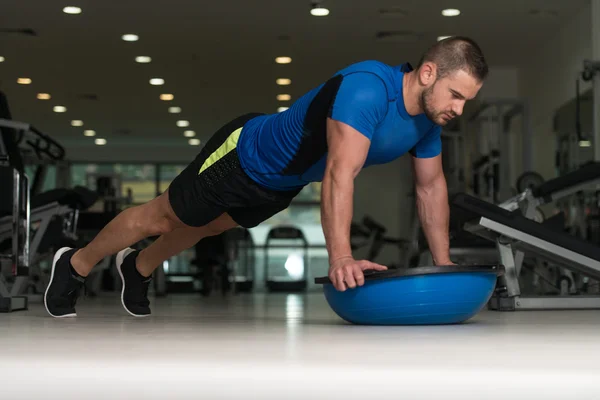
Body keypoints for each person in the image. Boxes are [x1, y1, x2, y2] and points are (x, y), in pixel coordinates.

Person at [44, 36, 488, 318]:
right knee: (163, 217)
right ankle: (76, 263)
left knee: (207, 227)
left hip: (282, 183)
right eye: (455, 95)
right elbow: (339, 174)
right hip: (245, 155)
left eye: (467, 101)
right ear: (428, 73)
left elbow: (431, 188)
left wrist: (443, 263)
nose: (458, 109)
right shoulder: (369, 88)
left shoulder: (429, 123)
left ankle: (138, 267)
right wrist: (339, 259)